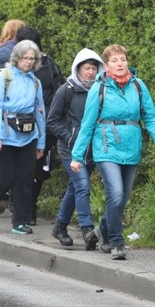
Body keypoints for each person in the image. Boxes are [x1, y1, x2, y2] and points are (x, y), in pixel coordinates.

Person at [71, 44, 155, 260]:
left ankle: (100, 230)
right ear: (106, 66)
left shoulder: (138, 85)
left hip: (131, 147)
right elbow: (87, 124)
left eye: (123, 59)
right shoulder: (100, 88)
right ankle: (116, 243)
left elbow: (150, 115)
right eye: (115, 61)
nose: (120, 64)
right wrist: (77, 156)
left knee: (122, 198)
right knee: (114, 194)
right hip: (106, 147)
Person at [0, 40, 45, 234]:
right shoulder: (2, 78)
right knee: (5, 178)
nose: (29, 62)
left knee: (25, 180)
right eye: (25, 58)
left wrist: (41, 142)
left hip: (28, 137)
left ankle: (20, 222)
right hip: (4, 136)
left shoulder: (35, 82)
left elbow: (40, 113)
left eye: (32, 58)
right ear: (16, 58)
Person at [47, 48, 104, 249]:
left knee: (74, 187)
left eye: (93, 68)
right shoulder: (67, 90)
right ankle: (87, 230)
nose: (90, 72)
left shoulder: (100, 90)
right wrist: (70, 137)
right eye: (86, 68)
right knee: (82, 186)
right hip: (69, 149)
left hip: (91, 150)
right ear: (78, 69)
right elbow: (52, 121)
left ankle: (60, 227)